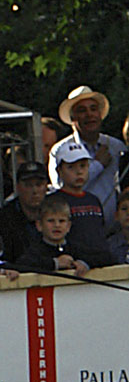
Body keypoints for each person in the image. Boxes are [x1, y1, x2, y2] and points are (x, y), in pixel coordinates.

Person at [51, 84, 125, 226]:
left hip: (115, 235)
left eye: (93, 109)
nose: (89, 114)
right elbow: (60, 189)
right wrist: (97, 165)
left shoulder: (116, 146)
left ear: (100, 114)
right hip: (78, 232)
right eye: (82, 110)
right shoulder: (61, 150)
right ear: (73, 118)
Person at [48, 137, 112, 270]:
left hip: (99, 265)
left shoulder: (93, 200)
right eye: (71, 167)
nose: (79, 172)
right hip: (71, 268)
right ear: (59, 170)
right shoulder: (54, 201)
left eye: (83, 166)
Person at [17, 194, 89, 277]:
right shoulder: (35, 250)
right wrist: (55, 263)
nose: (57, 225)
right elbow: (21, 264)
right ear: (39, 225)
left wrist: (84, 263)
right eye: (51, 221)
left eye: (61, 221)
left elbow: (104, 256)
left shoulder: (76, 247)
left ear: (68, 226)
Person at [0, 160, 50, 263]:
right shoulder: (4, 218)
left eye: (39, 184)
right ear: (18, 187)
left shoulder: (56, 211)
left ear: (46, 186)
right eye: (28, 185)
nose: (34, 191)